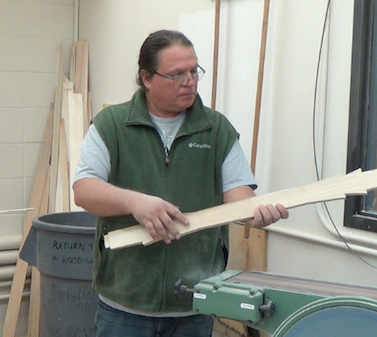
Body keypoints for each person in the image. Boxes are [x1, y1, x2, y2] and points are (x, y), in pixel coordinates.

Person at [73, 29, 288, 337]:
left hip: (193, 301)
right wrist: (136, 203)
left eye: (193, 71)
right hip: (125, 301)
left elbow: (239, 197)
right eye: (177, 74)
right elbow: (84, 190)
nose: (190, 81)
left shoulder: (216, 130)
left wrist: (255, 213)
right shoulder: (111, 126)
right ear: (147, 78)